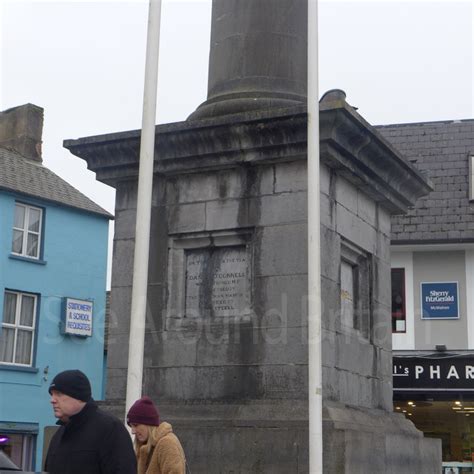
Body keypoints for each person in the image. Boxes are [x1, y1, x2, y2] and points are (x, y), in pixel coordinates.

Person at [44, 369, 137, 474]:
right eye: (52, 394)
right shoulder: (58, 435)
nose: (52, 400)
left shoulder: (110, 429)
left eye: (59, 394)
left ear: (79, 396)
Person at [127, 396, 186, 474]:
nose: (133, 431)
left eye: (136, 425)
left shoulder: (167, 443)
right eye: (131, 426)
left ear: (148, 424)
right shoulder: (144, 446)